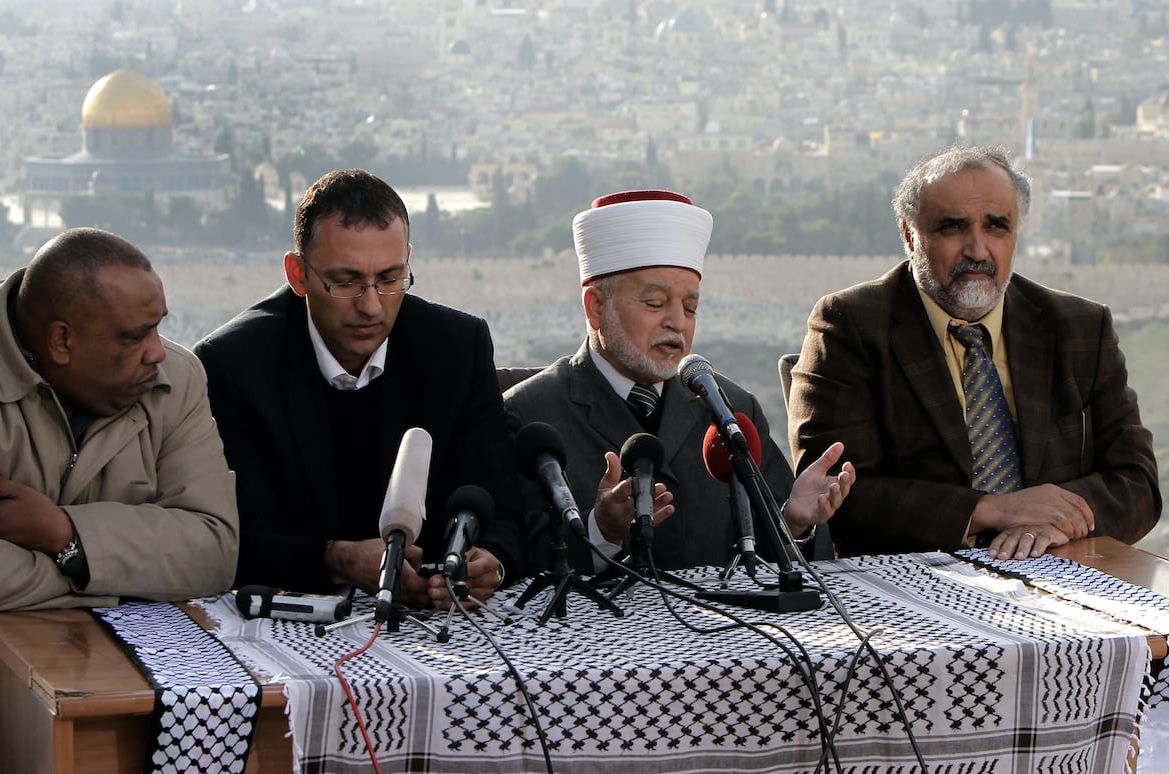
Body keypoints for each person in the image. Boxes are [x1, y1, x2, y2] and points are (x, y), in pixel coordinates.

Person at [788, 144, 1160, 561]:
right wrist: (991, 511)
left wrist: (1053, 520)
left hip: (1061, 571)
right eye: (953, 227)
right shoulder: (850, 326)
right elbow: (835, 495)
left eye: (996, 227)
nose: (978, 250)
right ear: (910, 235)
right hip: (918, 581)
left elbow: (1138, 482)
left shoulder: (1079, 327)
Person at [195, 169, 524, 609]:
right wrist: (337, 560)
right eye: (346, 282)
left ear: (408, 261)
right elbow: (237, 537)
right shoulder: (234, 364)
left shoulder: (456, 347)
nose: (371, 306)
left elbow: (503, 505)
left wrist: (491, 562)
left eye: (390, 279)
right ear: (298, 274)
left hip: (434, 616)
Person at [504, 189, 854, 574]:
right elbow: (510, 564)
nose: (677, 322)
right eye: (655, 303)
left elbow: (775, 567)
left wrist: (795, 522)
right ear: (596, 307)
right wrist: (601, 532)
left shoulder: (730, 409)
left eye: (690, 307)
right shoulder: (529, 415)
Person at [0, 226, 239, 615]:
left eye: (158, 327)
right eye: (134, 337)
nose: (158, 353)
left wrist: (66, 537)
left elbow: (213, 554)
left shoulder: (177, 380)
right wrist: (125, 578)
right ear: (61, 342)